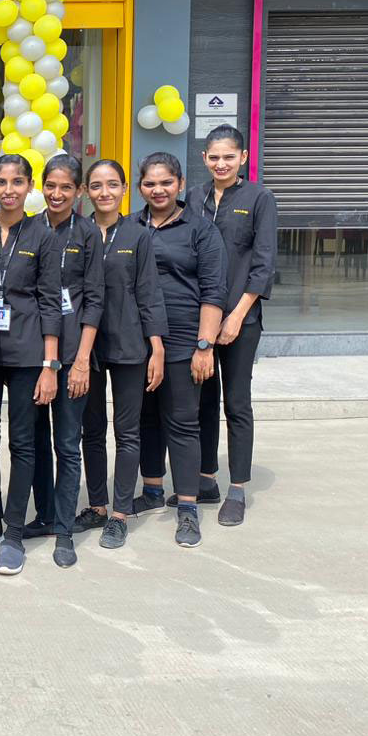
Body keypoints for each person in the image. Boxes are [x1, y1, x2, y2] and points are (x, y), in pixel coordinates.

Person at [0, 153, 61, 576]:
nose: (8, 189)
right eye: (2, 181)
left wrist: (50, 363)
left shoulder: (41, 234)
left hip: (27, 356)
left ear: (30, 187)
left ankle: (14, 532)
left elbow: (50, 301)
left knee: (22, 443)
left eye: (17, 182)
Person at [133, 152, 228, 549]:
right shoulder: (131, 226)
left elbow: (214, 290)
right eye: (151, 183)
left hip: (184, 337)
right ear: (141, 187)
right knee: (146, 418)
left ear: (180, 184)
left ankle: (187, 506)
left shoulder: (200, 230)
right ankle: (153, 489)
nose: (158, 190)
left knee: (183, 422)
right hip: (136, 340)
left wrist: (204, 345)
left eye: (166, 182)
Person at [74, 160, 168, 550]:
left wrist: (157, 347)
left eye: (112, 185)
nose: (105, 192)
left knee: (126, 432)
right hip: (86, 347)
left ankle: (120, 513)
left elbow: (149, 292)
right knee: (91, 430)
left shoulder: (138, 234)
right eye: (96, 186)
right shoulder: (77, 232)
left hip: (130, 345)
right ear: (86, 191)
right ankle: (97, 506)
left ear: (125, 189)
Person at [188, 125, 278, 526]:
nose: (221, 163)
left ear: (243, 158)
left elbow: (263, 264)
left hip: (243, 318)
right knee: (201, 401)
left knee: (236, 402)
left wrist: (237, 316)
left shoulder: (260, 198)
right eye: (213, 157)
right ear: (204, 159)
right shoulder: (194, 198)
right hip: (202, 320)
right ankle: (205, 479)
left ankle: (237, 487)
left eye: (229, 156)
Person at [27, 154, 104, 567]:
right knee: (34, 441)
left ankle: (63, 528)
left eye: (66, 187)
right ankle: (41, 515)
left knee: (67, 443)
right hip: (30, 351)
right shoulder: (28, 227)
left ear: (78, 191)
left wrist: (80, 362)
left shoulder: (87, 232)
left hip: (73, 350)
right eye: (50, 186)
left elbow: (94, 299)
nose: (57, 194)